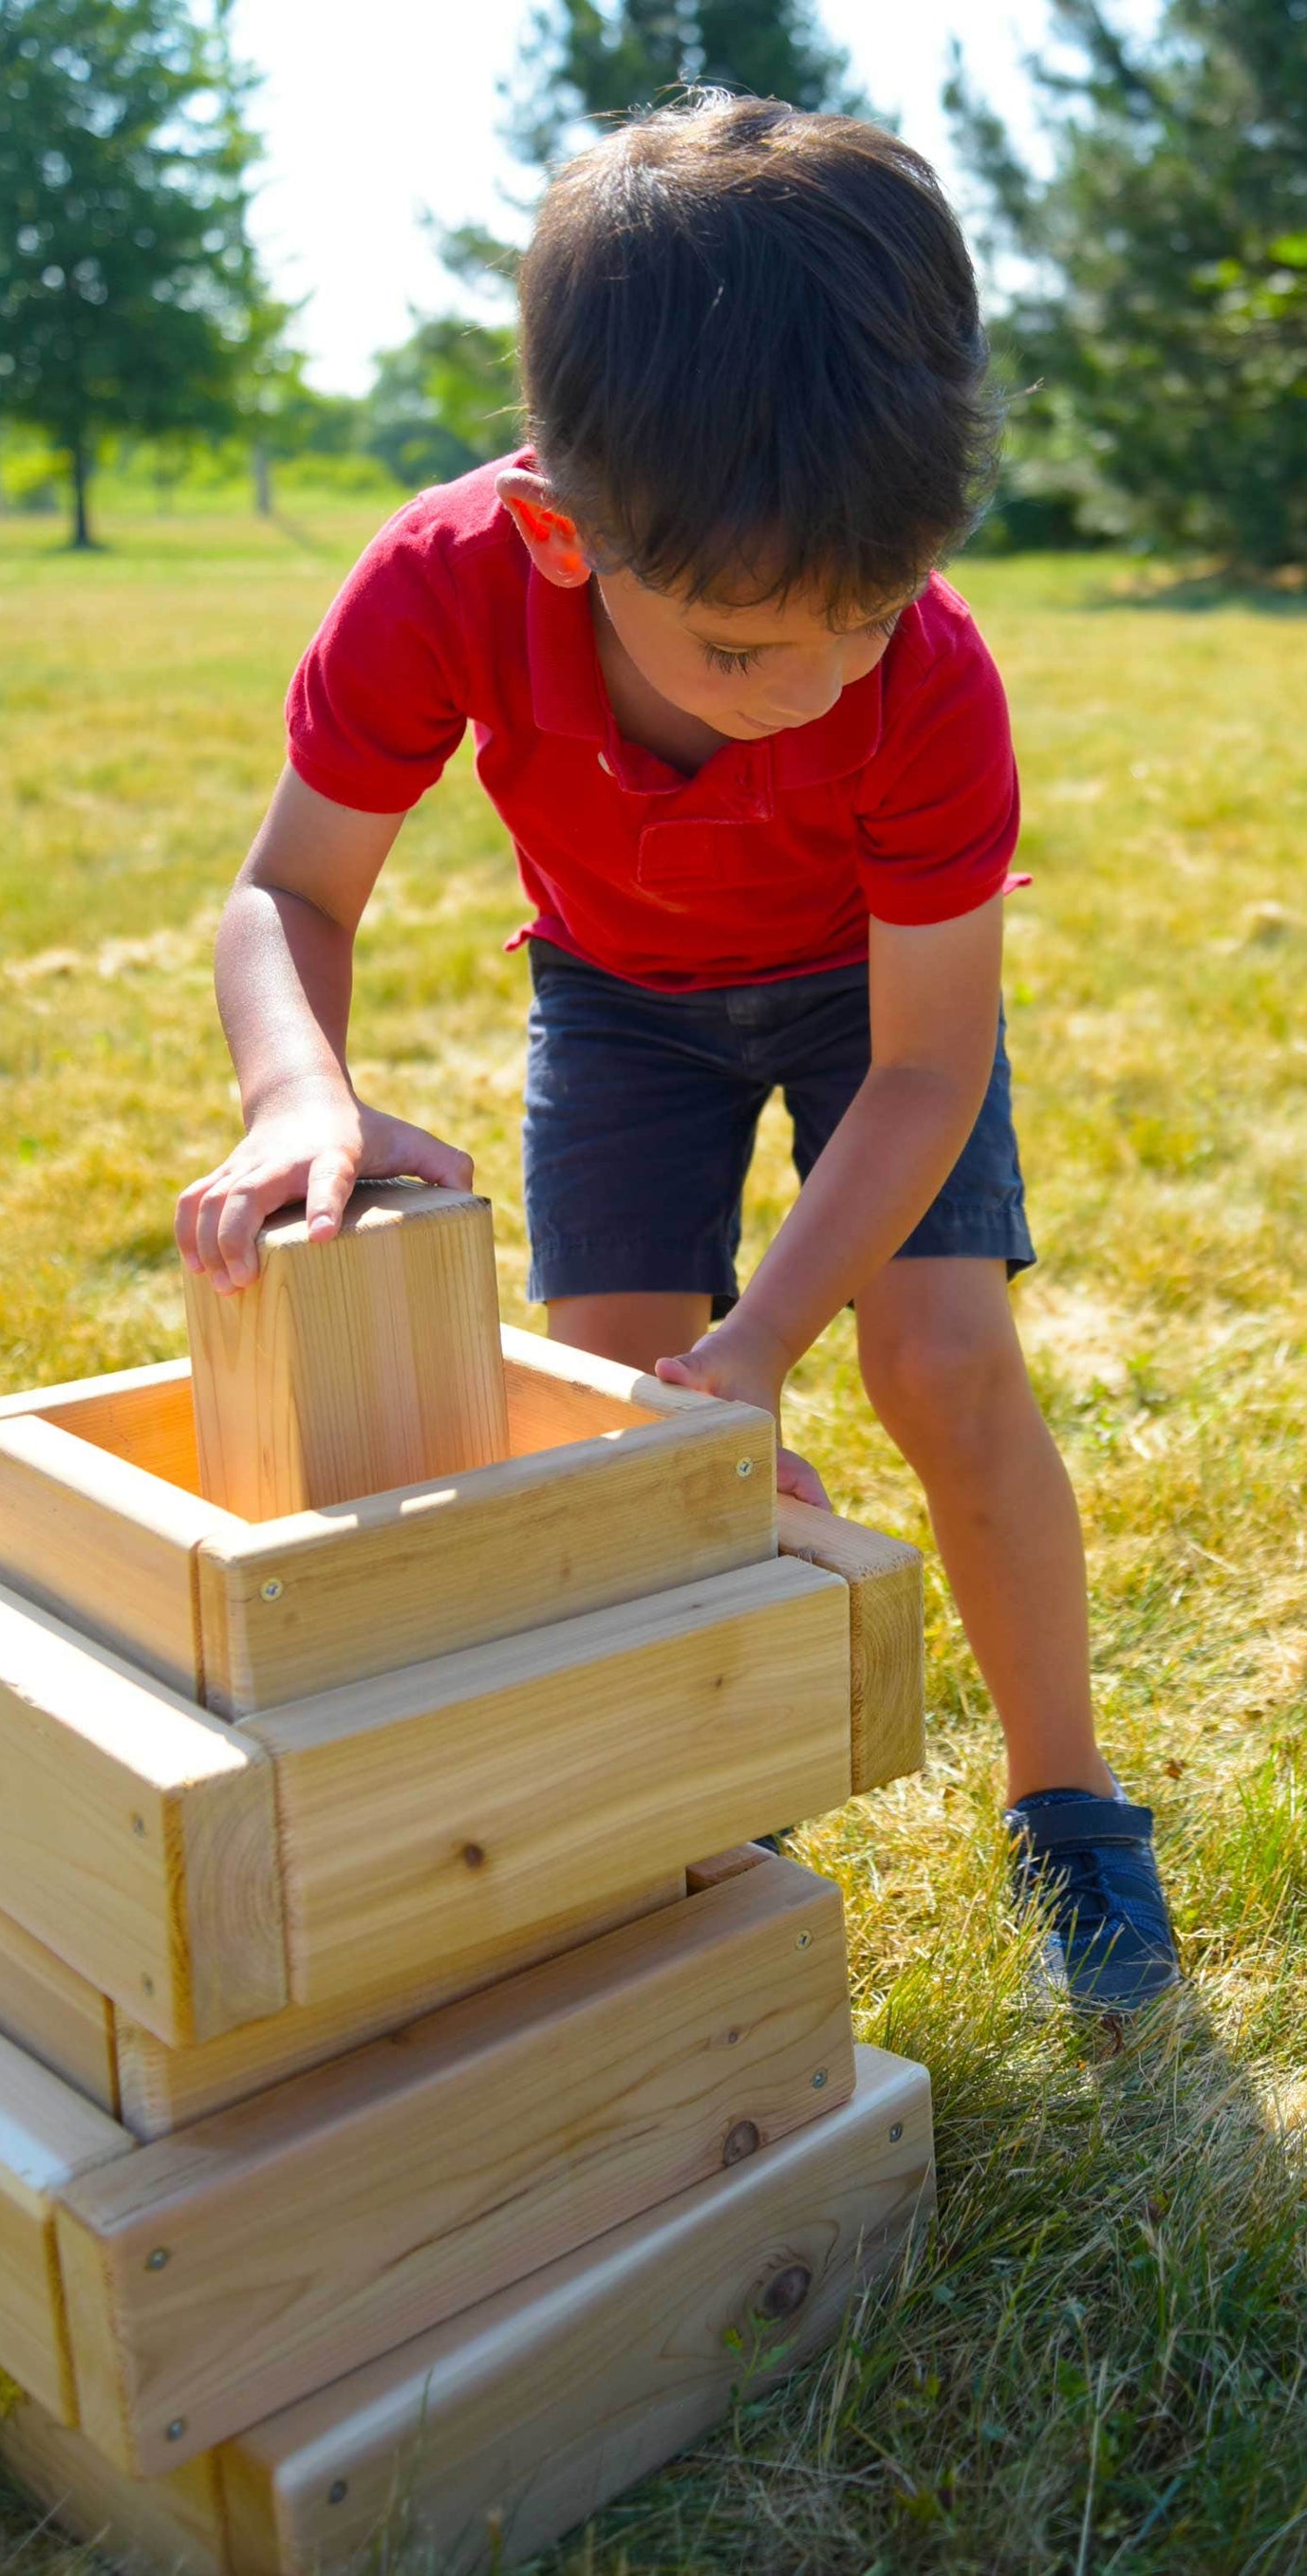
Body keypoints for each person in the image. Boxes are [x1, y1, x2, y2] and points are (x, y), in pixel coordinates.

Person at [175, 94, 1177, 2011]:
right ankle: (706, 1830)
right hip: (619, 1003)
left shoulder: (929, 683)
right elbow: (285, 891)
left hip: (866, 1014)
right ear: (562, 535)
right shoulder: (442, 578)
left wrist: (766, 1344)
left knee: (943, 1358)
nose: (812, 686)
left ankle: (1069, 1804)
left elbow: (918, 1066)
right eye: (738, 650)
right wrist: (300, 1086)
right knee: (631, 1416)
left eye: (863, 619)